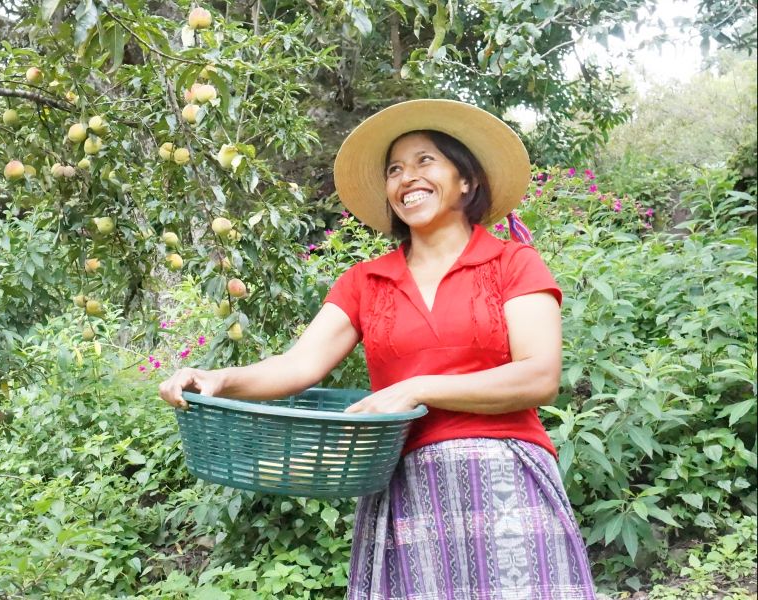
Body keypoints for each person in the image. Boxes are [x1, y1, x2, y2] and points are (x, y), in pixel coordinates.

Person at [158, 99, 597, 599]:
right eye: (394, 169)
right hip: (404, 487)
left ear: (467, 181)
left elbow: (539, 377)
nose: (407, 177)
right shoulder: (365, 281)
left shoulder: (513, 264)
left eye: (425, 161)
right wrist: (219, 379)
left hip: (504, 480)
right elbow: (300, 363)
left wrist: (415, 389)